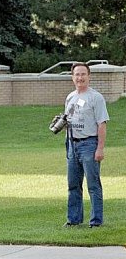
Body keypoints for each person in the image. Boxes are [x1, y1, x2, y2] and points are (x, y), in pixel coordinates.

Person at [63, 63, 109, 228]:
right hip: (72, 144)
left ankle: (96, 221)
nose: (80, 78)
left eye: (83, 74)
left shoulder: (95, 97)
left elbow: (102, 124)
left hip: (89, 144)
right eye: (77, 74)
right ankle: (73, 220)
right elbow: (68, 119)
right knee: (73, 184)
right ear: (72, 77)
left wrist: (100, 148)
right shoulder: (70, 97)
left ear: (89, 76)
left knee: (93, 184)